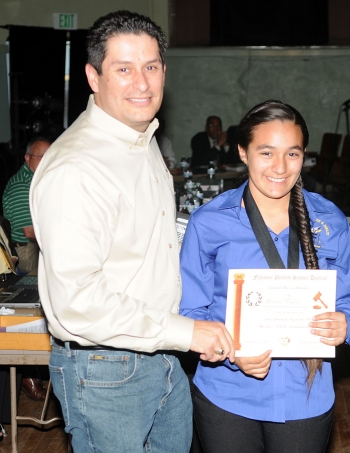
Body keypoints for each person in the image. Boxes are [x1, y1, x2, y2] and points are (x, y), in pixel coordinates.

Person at [30, 10, 234, 453]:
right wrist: (188, 333)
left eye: (151, 67)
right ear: (93, 76)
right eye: (123, 69)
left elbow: (150, 249)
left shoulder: (140, 141)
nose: (142, 84)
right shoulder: (78, 168)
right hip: (107, 370)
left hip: (160, 352)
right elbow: (79, 301)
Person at [179, 100, 350, 453]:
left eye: (292, 154)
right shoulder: (209, 222)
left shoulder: (330, 220)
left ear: (304, 156)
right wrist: (231, 351)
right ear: (243, 153)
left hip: (305, 398)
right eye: (266, 152)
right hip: (227, 396)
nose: (280, 167)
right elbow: (191, 313)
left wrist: (346, 324)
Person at [2, 137, 50, 274]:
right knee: (32, 290)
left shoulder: (35, 180)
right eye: (40, 156)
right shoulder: (20, 186)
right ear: (27, 158)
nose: (46, 160)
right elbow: (29, 231)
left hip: (36, 245)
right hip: (27, 250)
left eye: (49, 156)